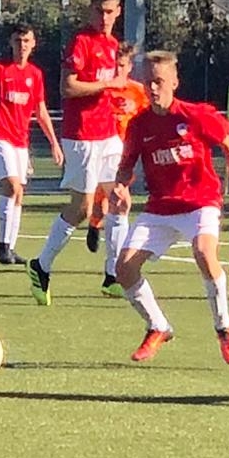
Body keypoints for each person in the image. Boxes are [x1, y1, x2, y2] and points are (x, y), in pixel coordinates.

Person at [111, 51, 229, 366]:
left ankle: (224, 327)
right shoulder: (139, 125)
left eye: (159, 81)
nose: (153, 88)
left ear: (174, 82)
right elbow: (126, 166)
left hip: (201, 202)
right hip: (160, 208)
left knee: (204, 253)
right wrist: (121, 187)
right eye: (148, 82)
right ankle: (158, 326)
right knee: (124, 269)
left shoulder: (195, 115)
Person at [27, 0, 127, 305]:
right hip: (82, 135)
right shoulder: (81, 42)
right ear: (90, 10)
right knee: (82, 208)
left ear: (118, 12)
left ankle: (113, 275)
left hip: (108, 134)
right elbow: (68, 87)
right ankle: (41, 265)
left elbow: (111, 88)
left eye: (110, 12)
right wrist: (107, 84)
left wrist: (118, 97)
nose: (104, 17)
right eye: (99, 11)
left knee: (119, 199)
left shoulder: (113, 45)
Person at [0, 23, 63, 266]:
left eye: (26, 41)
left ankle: (10, 247)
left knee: (19, 192)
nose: (22, 45)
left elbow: (40, 111)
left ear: (33, 44)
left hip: (20, 140)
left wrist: (54, 143)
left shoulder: (35, 74)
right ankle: (2, 246)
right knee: (11, 186)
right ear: (11, 43)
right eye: (17, 40)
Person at [85, 41, 148, 289]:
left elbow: (149, 116)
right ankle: (95, 226)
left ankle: (112, 272)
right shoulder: (103, 89)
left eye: (122, 66)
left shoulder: (138, 92)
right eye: (114, 65)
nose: (117, 70)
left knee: (116, 203)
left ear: (129, 67)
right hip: (101, 150)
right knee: (102, 204)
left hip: (124, 154)